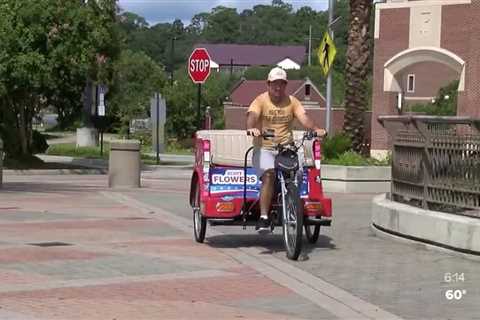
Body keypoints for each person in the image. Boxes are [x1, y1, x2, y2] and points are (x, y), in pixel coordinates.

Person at [246, 67, 326, 233]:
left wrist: (317, 129)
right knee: (269, 174)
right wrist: (252, 128)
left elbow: (304, 118)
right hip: (264, 148)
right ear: (268, 84)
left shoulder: (292, 101)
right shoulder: (260, 101)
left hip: (286, 147)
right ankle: (264, 217)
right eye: (274, 84)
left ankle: (292, 201)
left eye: (281, 84)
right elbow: (252, 116)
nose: (278, 87)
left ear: (285, 85)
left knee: (298, 172)